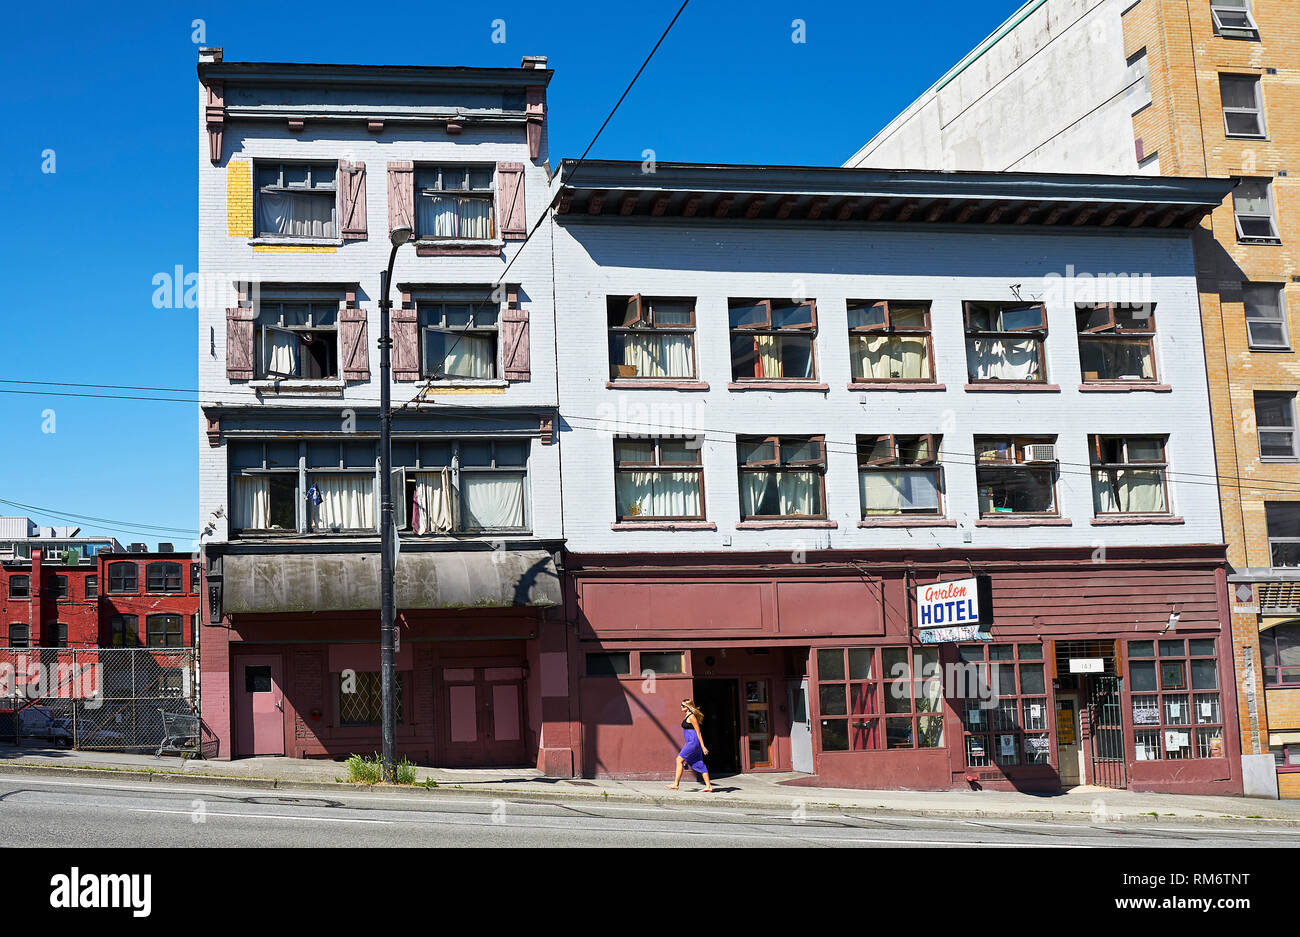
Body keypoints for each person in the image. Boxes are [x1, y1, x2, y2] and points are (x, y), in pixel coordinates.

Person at [666, 698, 714, 792]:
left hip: (693, 742)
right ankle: (708, 786)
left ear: (688, 707)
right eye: (681, 705)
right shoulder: (687, 715)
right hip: (690, 742)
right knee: (699, 763)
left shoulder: (691, 717)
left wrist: (703, 746)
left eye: (683, 705)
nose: (681, 707)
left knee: (679, 760)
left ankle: (676, 784)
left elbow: (698, 732)